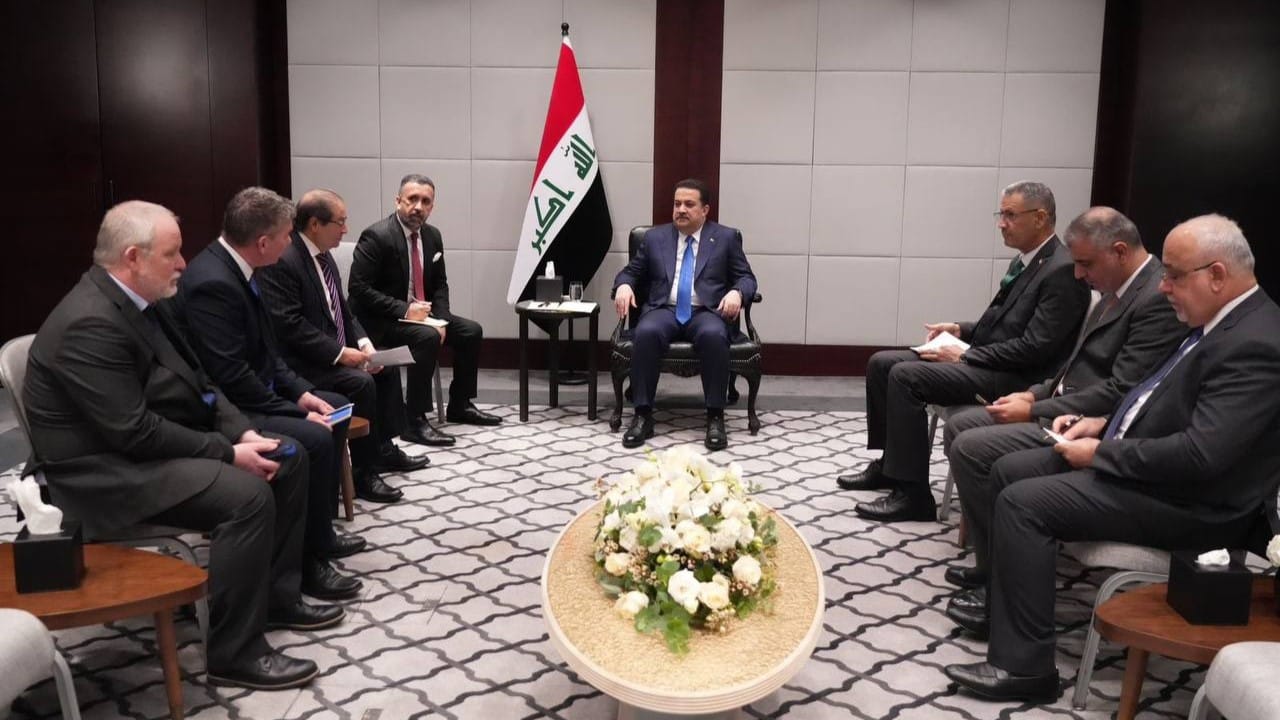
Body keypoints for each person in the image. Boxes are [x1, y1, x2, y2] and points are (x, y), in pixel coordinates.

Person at [944, 214, 1280, 703]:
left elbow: (1202, 455)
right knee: (1007, 469)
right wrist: (1102, 423)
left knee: (1024, 504)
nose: (1163, 286)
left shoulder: (1257, 343)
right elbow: (1157, 400)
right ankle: (1007, 613)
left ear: (1216, 275)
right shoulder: (1223, 321)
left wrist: (1103, 452)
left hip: (1198, 506)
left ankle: (1025, 668)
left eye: (1173, 275)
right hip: (1158, 474)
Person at [23, 200, 340, 690]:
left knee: (285, 457)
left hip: (139, 449)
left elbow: (203, 382)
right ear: (133, 257)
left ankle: (276, 598)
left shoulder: (146, 304)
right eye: (171, 253)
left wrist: (243, 433)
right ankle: (234, 653)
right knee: (247, 496)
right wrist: (227, 453)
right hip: (98, 474)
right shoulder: (90, 322)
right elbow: (132, 431)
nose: (183, 264)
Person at [941, 207, 1184, 595]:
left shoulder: (1154, 299)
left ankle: (1001, 571)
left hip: (1084, 423)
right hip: (1061, 407)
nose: (1079, 275)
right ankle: (994, 561)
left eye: (1086, 264)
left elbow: (1121, 388)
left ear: (1120, 252)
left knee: (972, 447)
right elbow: (1074, 365)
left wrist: (1034, 410)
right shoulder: (1115, 290)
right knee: (960, 427)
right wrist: (1034, 393)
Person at [838, 181, 1090, 522]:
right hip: (991, 360)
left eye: (1010, 215)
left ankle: (913, 495)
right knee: (881, 363)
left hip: (1015, 378)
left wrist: (965, 356)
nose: (1001, 223)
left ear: (1040, 217)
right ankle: (891, 466)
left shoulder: (1061, 270)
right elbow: (1003, 322)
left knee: (905, 376)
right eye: (1001, 214)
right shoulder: (1027, 260)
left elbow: (1036, 349)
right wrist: (962, 330)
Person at [180, 187, 362, 601]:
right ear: (263, 243)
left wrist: (301, 395)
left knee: (332, 406)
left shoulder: (242, 269)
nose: (290, 242)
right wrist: (293, 411)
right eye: (285, 235)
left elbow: (269, 352)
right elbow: (231, 376)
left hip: (253, 392)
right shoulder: (213, 283)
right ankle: (305, 566)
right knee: (313, 436)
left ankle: (319, 535)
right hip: (227, 408)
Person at [257, 188, 428, 504]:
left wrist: (363, 344)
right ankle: (364, 473)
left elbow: (343, 309)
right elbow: (289, 326)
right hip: (303, 362)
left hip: (330, 352)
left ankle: (384, 448)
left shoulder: (323, 256)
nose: (346, 229)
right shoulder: (285, 260)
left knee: (384, 368)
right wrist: (339, 354)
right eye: (340, 222)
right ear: (315, 225)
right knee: (361, 383)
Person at [350, 174, 501, 446]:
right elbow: (358, 289)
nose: (418, 207)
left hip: (423, 316)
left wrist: (440, 320)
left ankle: (460, 404)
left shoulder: (432, 236)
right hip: (383, 320)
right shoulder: (377, 236)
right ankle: (414, 420)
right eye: (412, 199)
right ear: (398, 201)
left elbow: (440, 284)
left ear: (432, 206)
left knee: (470, 331)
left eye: (425, 201)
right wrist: (406, 310)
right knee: (426, 338)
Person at [612, 178, 757, 451]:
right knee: (646, 332)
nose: (681, 209)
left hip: (706, 311)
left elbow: (747, 278)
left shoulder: (725, 238)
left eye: (689, 204)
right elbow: (630, 272)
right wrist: (623, 285)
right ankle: (642, 415)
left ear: (705, 210)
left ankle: (715, 416)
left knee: (714, 335)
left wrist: (737, 292)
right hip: (664, 309)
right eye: (677, 204)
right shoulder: (655, 238)